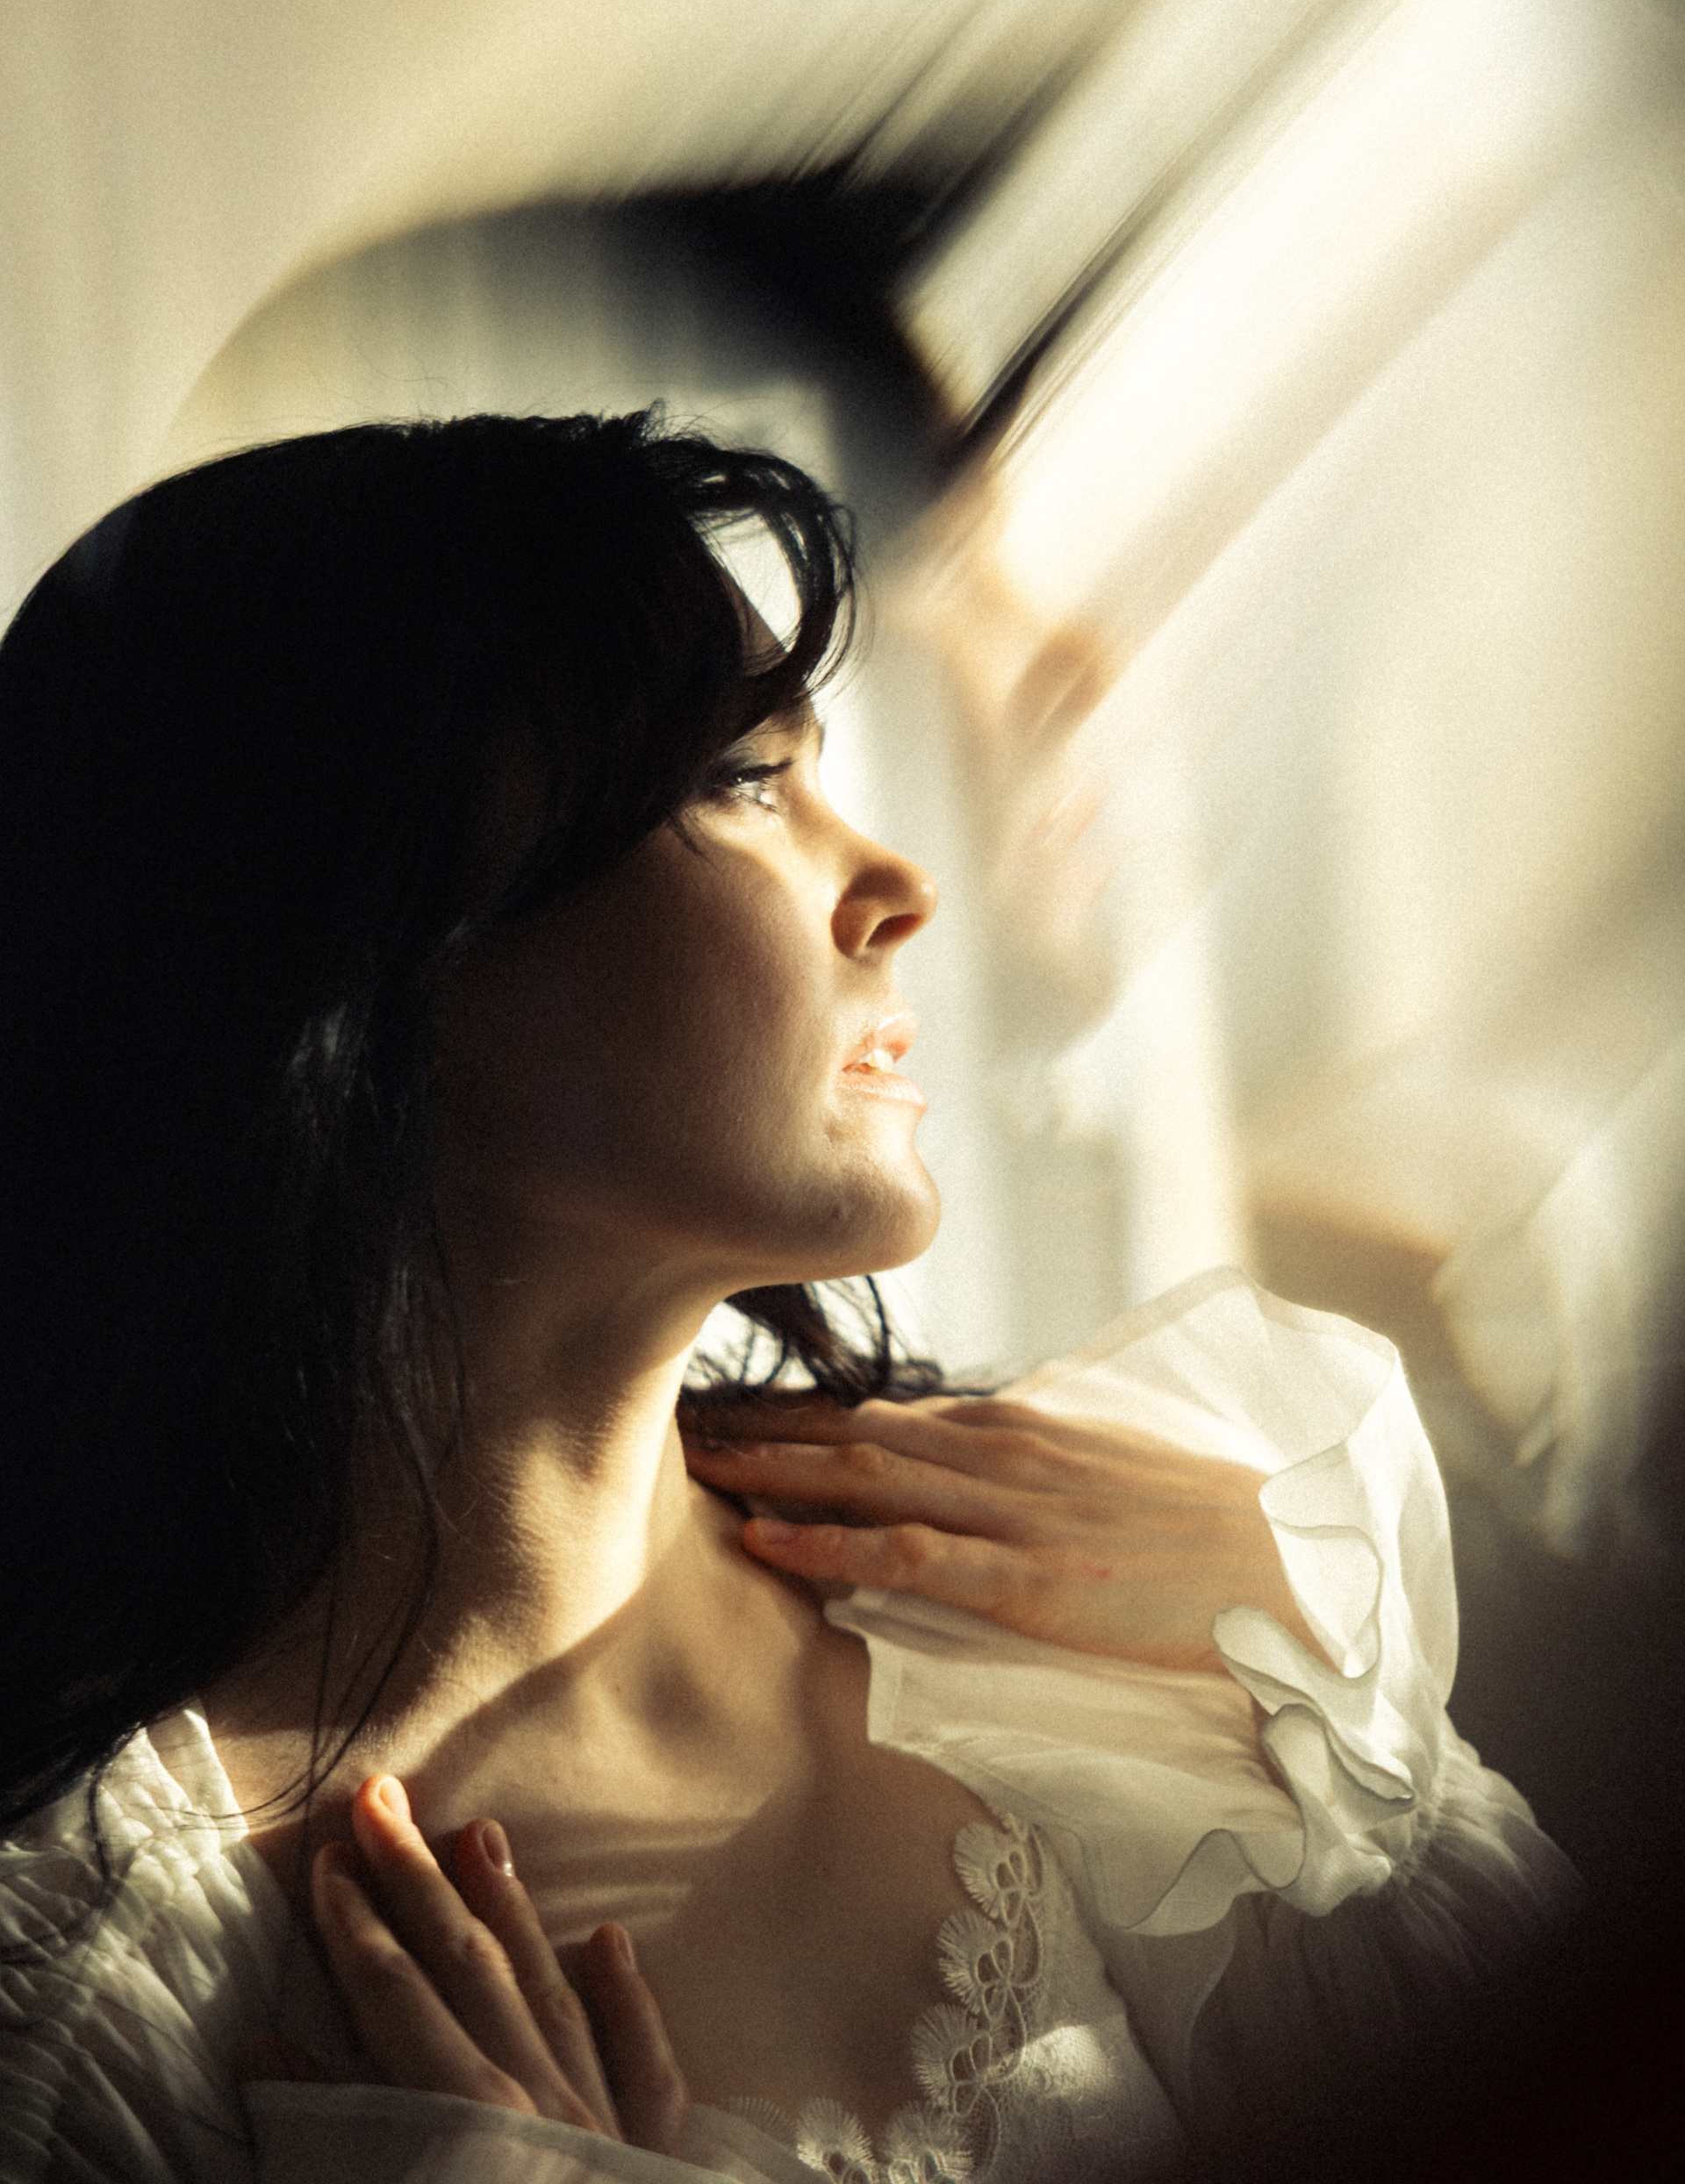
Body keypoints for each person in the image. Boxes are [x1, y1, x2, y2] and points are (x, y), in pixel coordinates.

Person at [0, 412, 1574, 2184]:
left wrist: (1319, 1705)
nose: (898, 889)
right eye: (743, 781)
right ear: (363, 941)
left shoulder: (1105, 1652)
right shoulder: (93, 2004)